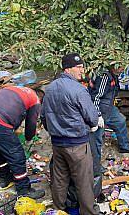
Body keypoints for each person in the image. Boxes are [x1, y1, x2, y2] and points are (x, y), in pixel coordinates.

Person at [41, 53, 99, 214]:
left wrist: (55, 130)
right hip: (77, 144)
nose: (82, 70)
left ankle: (59, 209)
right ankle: (88, 212)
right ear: (68, 69)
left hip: (58, 144)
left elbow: (43, 116)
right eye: (79, 67)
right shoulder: (79, 90)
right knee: (84, 181)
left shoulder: (50, 88)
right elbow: (92, 118)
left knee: (59, 179)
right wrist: (92, 125)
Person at [0, 86, 45, 199]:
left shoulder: (16, 89)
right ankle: (24, 190)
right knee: (17, 156)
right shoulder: (35, 100)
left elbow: (10, 110)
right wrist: (29, 138)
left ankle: (6, 179)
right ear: (41, 100)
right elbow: (31, 124)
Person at [88, 66, 129, 159]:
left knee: (120, 121)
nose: (122, 69)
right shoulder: (104, 76)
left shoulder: (113, 75)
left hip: (109, 108)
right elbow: (95, 97)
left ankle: (124, 147)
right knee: (96, 139)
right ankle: (96, 166)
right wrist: (98, 115)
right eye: (120, 67)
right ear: (113, 66)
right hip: (99, 110)